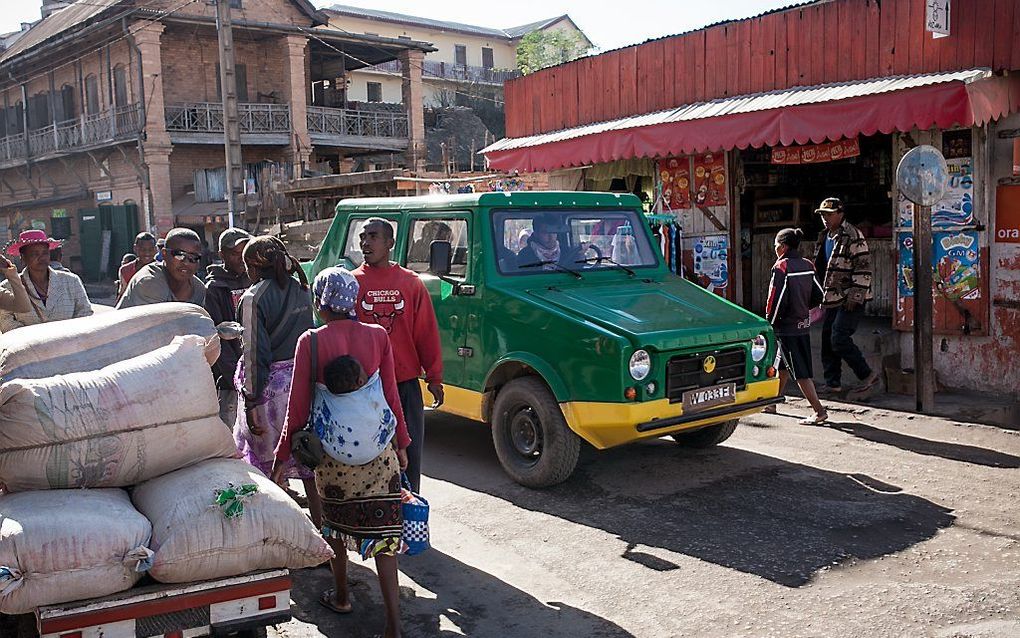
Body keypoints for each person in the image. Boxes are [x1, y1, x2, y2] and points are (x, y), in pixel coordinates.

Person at [273, 267, 410, 637]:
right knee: (384, 536)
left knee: (333, 526)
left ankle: (343, 594)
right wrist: (402, 443)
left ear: (320, 303)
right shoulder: (378, 335)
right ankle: (394, 625)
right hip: (380, 453)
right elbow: (390, 395)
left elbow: (298, 406)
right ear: (353, 301)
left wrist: (282, 455)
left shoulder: (311, 341)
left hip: (334, 457)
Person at [353, 218, 443, 493]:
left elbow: (426, 332)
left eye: (373, 236)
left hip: (404, 385)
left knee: (409, 456)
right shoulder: (352, 283)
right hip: (366, 389)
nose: (366, 242)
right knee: (369, 457)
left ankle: (410, 516)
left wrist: (434, 377)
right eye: (363, 237)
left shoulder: (411, 283)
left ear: (390, 243)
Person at [234, 236, 317, 512]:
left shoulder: (253, 297)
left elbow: (254, 354)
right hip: (303, 387)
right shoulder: (302, 289)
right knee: (308, 465)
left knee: (270, 470)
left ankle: (286, 536)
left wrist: (250, 401)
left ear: (253, 267)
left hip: (270, 394)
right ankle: (323, 533)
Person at [813, 197, 880, 394]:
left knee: (838, 337)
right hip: (830, 297)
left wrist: (856, 296)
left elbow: (863, 268)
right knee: (827, 338)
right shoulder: (824, 236)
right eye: (823, 215)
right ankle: (833, 382)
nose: (825, 218)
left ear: (840, 214)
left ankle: (866, 374)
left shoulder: (852, 235)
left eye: (829, 214)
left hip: (850, 298)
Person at [764, 228, 828, 425]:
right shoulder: (808, 265)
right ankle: (773, 402)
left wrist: (770, 321)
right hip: (803, 324)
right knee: (782, 363)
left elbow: (776, 299)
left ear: (783, 246)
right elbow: (819, 295)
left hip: (787, 325)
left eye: (776, 244)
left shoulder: (782, 267)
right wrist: (802, 309)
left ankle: (819, 411)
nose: (774, 248)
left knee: (800, 371)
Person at [204, 227, 252, 427]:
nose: (241, 259)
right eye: (234, 254)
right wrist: (236, 377)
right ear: (222, 255)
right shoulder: (214, 289)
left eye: (244, 253)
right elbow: (217, 337)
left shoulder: (253, 279)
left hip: (254, 371)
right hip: (230, 379)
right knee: (232, 427)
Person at [0, 230, 92, 332]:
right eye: (34, 254)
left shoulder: (71, 281)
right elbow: (6, 321)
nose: (42, 258)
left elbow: (85, 313)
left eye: (45, 253)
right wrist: (36, 341)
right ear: (23, 258)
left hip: (70, 345)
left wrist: (67, 337)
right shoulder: (8, 287)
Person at [116, 229, 206, 308]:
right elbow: (158, 325)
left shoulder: (198, 289)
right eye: (179, 255)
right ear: (164, 254)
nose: (186, 262)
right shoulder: (149, 282)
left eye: (193, 257)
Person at [516, 214, 585, 270]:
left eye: (553, 232)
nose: (551, 237)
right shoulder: (525, 255)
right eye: (545, 232)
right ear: (536, 234)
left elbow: (576, 271)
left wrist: (581, 255)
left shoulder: (566, 250)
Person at [117, 232, 158, 300]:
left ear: (156, 249)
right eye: (143, 249)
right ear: (135, 248)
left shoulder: (164, 269)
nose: (147, 253)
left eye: (150, 249)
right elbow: (123, 293)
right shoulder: (125, 270)